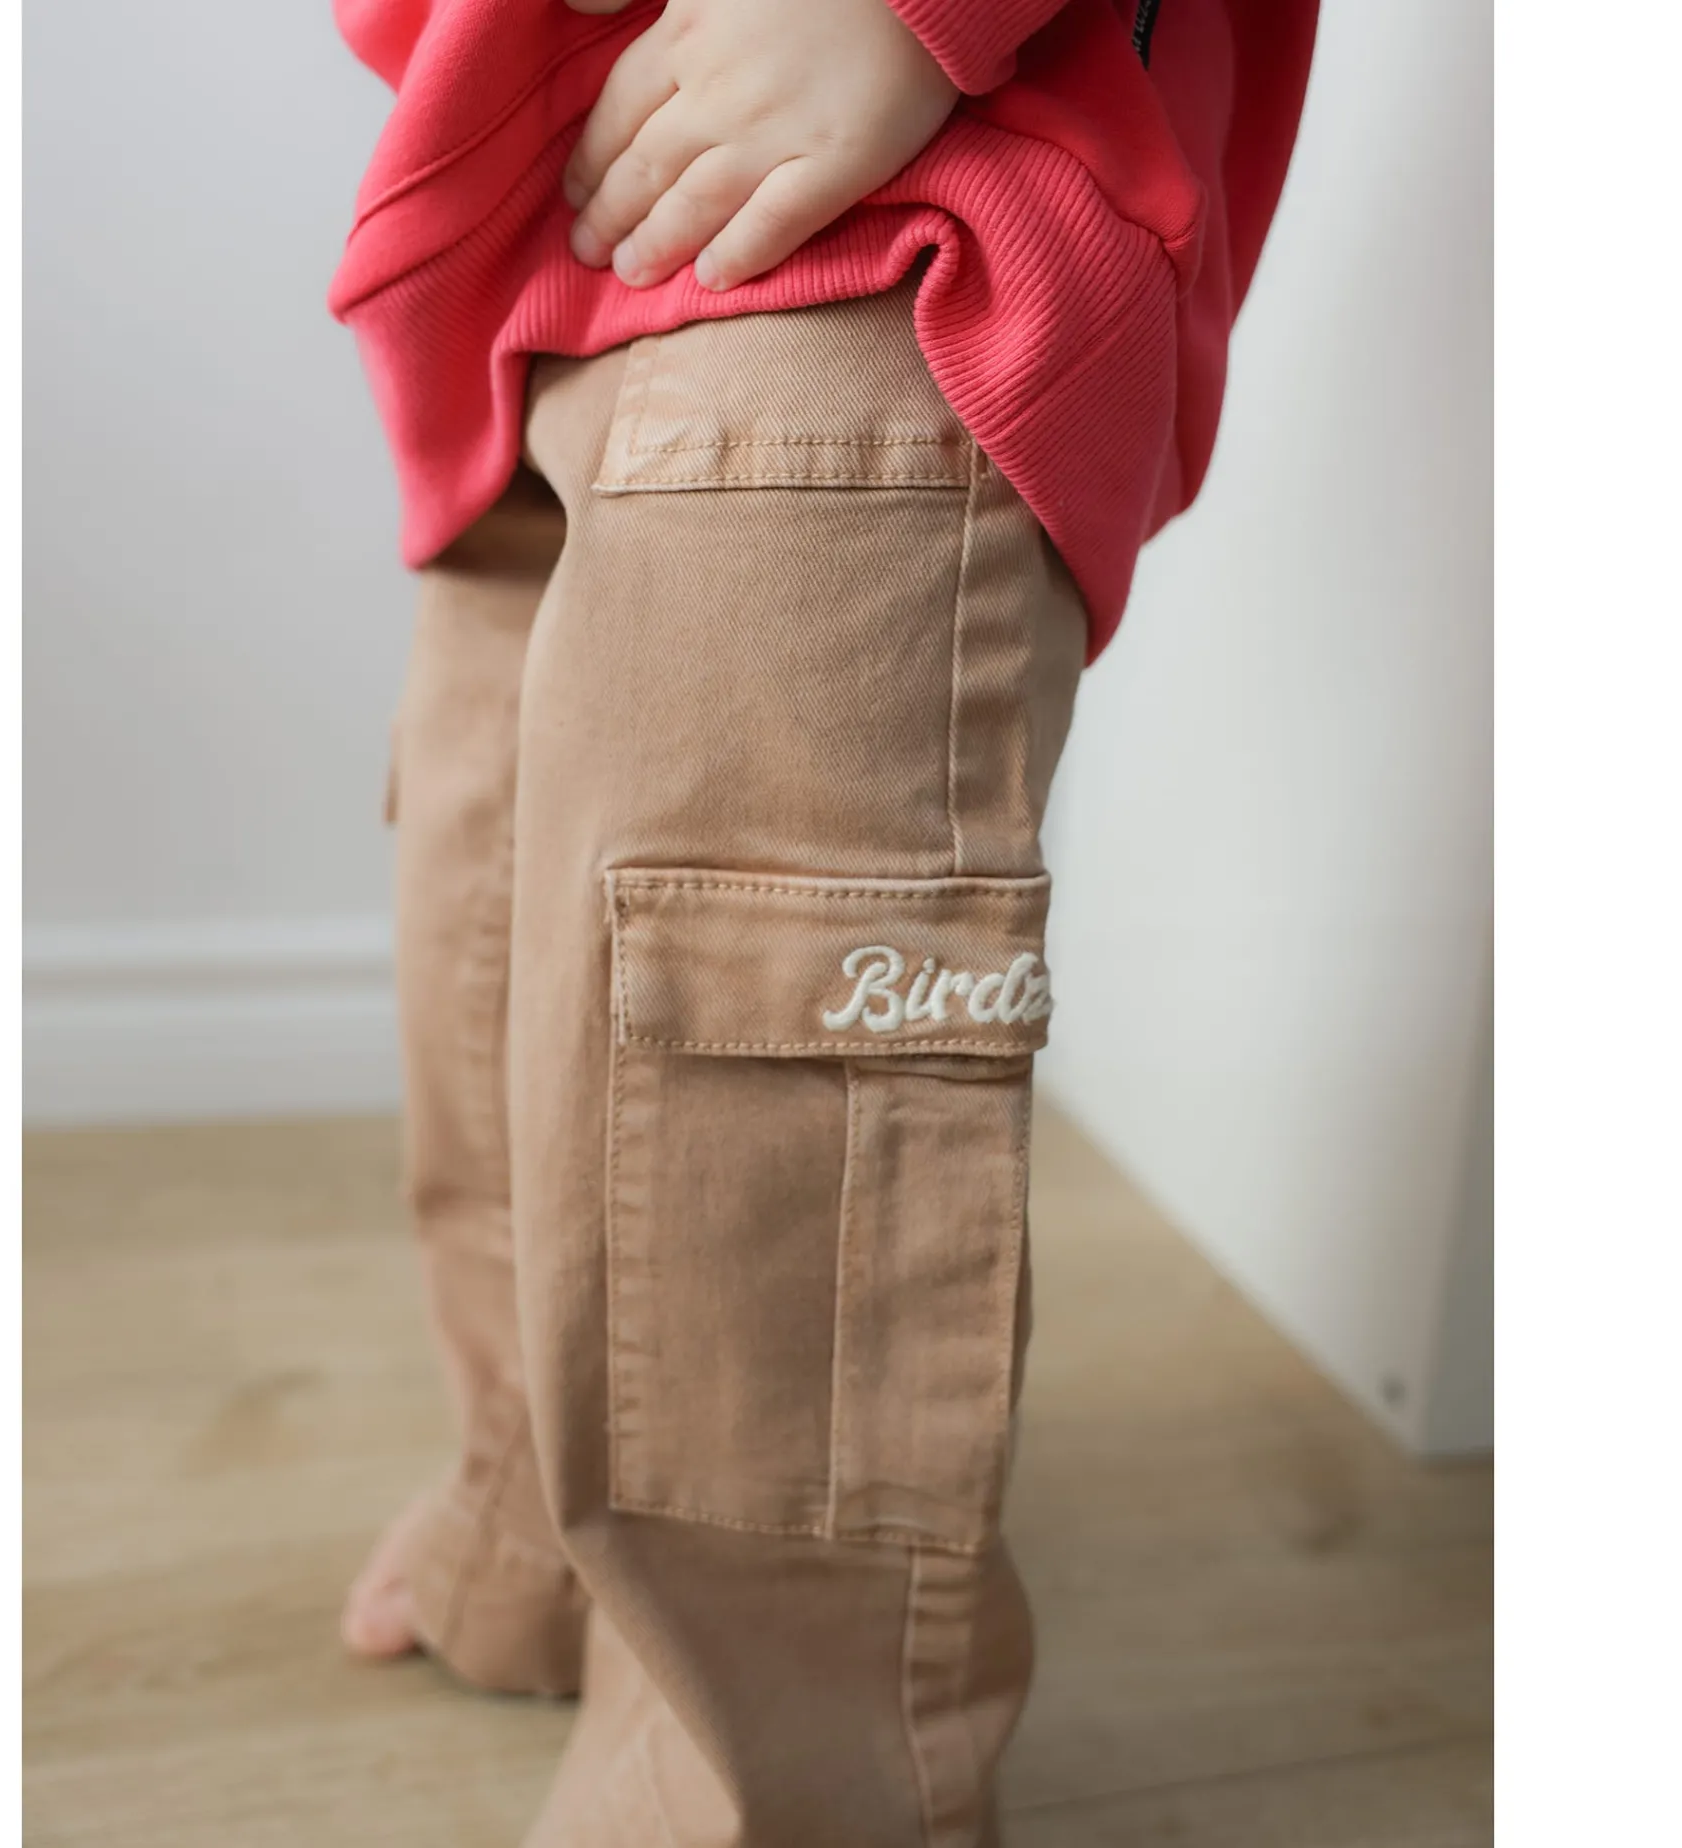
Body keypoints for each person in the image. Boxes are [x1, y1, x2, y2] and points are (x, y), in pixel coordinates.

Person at [330, 1, 1317, 1841]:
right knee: (516, 936)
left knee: (752, 1156)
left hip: (894, 210)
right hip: (540, 227)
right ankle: (529, 1520)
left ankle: (781, 1790)